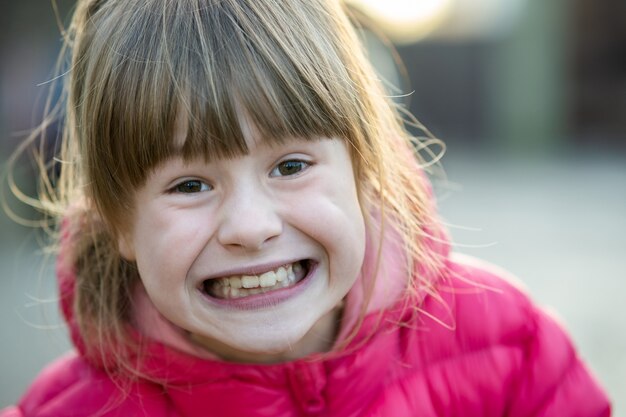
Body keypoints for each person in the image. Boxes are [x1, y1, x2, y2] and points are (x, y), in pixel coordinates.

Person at [1, 0, 611, 416]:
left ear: (365, 170)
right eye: (189, 185)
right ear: (117, 220)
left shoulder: (512, 349)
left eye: (290, 167)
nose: (252, 227)